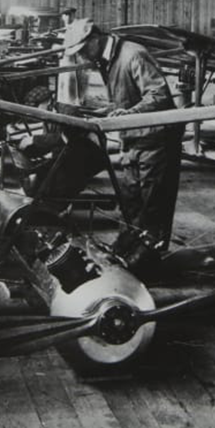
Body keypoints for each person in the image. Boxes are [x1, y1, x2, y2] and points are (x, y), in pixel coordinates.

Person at [62, 18, 184, 277]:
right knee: (130, 201)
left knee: (153, 204)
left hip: (156, 140)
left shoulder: (134, 54)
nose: (83, 56)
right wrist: (107, 109)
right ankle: (126, 252)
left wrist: (127, 113)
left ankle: (148, 263)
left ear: (95, 39)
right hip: (133, 138)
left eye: (83, 50)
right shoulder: (107, 60)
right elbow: (128, 97)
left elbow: (159, 96)